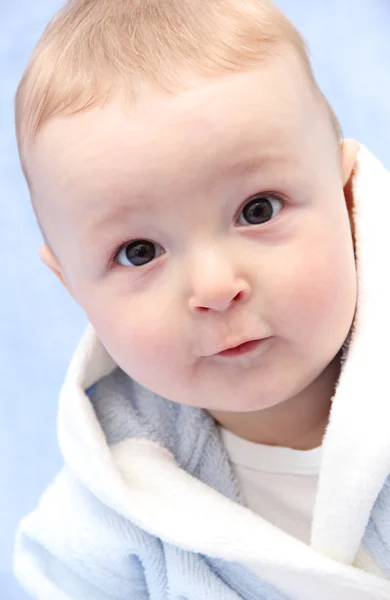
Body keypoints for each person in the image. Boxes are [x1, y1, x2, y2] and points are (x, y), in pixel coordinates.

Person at [12, 0, 390, 598]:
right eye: (139, 251)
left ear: (345, 199)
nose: (214, 287)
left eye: (257, 210)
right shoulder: (104, 522)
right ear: (75, 290)